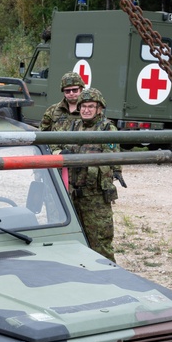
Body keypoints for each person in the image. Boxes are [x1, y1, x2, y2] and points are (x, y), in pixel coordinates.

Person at [62, 87, 120, 262]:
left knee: (100, 244)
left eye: (91, 106)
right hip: (73, 194)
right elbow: (56, 145)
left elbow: (112, 158)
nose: (86, 110)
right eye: (84, 106)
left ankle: (109, 279)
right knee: (74, 242)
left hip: (95, 197)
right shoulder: (73, 126)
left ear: (99, 108)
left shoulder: (107, 129)